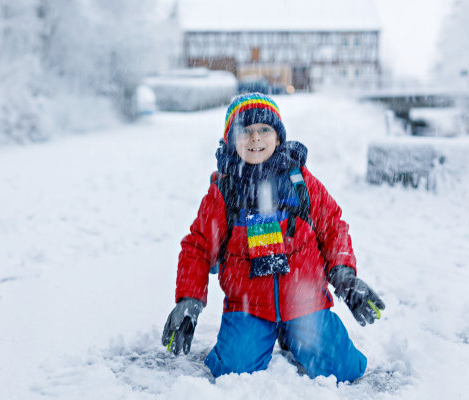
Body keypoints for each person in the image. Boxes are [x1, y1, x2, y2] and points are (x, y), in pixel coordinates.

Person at [162, 93, 385, 382]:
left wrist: (344, 276)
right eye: (246, 131)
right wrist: (189, 300)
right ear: (231, 140)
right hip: (249, 305)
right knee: (233, 369)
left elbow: (332, 227)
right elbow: (198, 246)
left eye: (264, 129)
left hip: (305, 301)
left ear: (278, 137)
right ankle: (267, 332)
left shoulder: (300, 182)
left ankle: (293, 334)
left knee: (345, 369)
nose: (256, 138)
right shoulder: (225, 192)